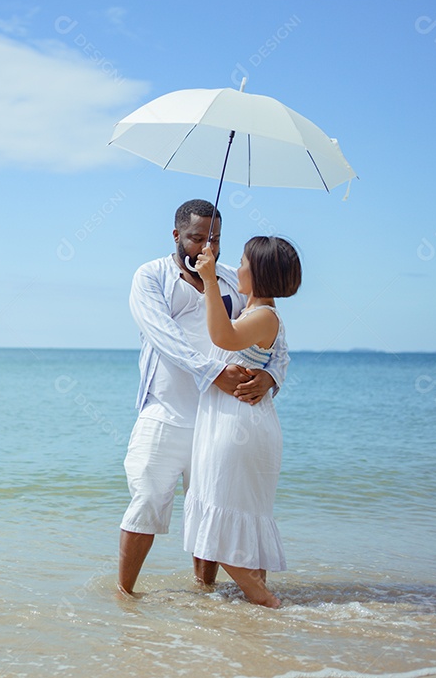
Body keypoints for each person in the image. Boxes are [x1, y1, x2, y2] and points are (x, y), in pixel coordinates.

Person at [118, 200, 289, 597]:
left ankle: (204, 594)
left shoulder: (231, 277)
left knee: (211, 507)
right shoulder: (151, 276)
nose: (205, 247)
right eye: (196, 238)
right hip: (165, 412)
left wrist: (270, 376)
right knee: (146, 499)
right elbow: (164, 336)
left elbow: (275, 337)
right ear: (177, 235)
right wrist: (213, 373)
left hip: (220, 421)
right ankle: (125, 597)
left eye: (214, 239)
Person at [182, 235, 302, 608]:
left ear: (260, 273)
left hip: (236, 427)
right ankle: (259, 620)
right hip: (241, 423)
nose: (238, 268)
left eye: (244, 263)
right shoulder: (257, 315)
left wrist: (212, 280)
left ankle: (265, 600)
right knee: (242, 515)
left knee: (222, 514)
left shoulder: (264, 316)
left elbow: (223, 336)